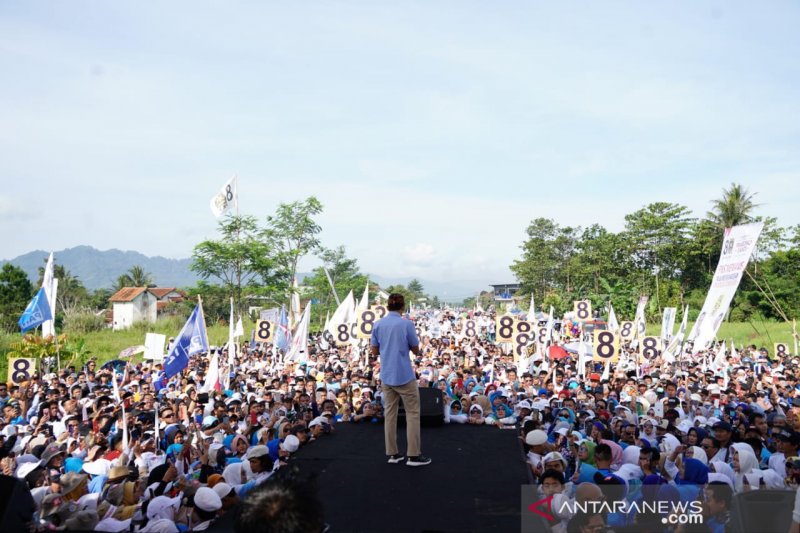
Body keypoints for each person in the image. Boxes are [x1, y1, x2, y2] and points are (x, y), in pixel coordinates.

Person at [370, 293, 431, 467]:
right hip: (404, 375)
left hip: (387, 375)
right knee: (412, 414)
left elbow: (374, 352)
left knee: (390, 415)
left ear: (387, 306)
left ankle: (393, 454)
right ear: (402, 306)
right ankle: (413, 455)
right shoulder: (406, 324)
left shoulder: (378, 324)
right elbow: (415, 349)